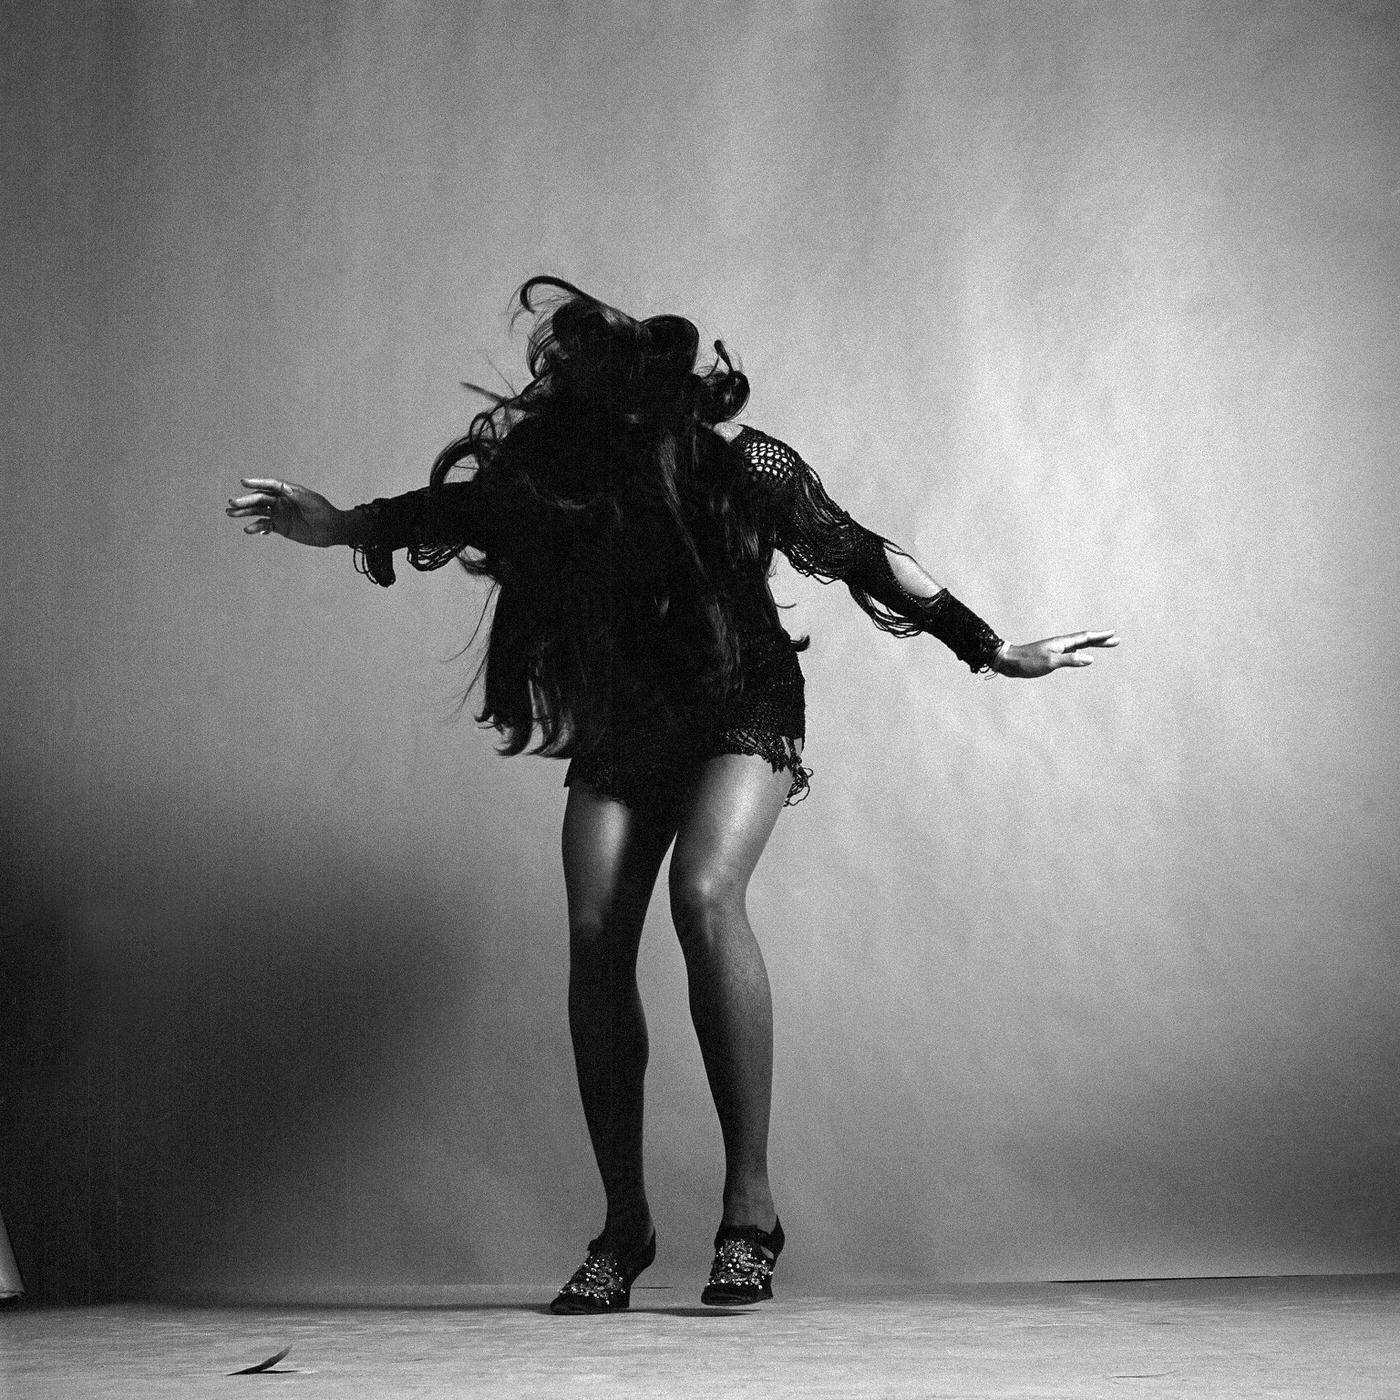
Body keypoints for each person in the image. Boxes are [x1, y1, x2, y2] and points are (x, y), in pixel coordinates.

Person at [226, 276, 1117, 1312]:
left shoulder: (746, 468)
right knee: (597, 930)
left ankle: (749, 1210)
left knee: (701, 891)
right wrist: (333, 525)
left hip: (743, 700)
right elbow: (450, 506)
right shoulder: (560, 480)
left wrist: (991, 647)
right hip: (628, 716)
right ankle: (624, 1225)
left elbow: (867, 552)